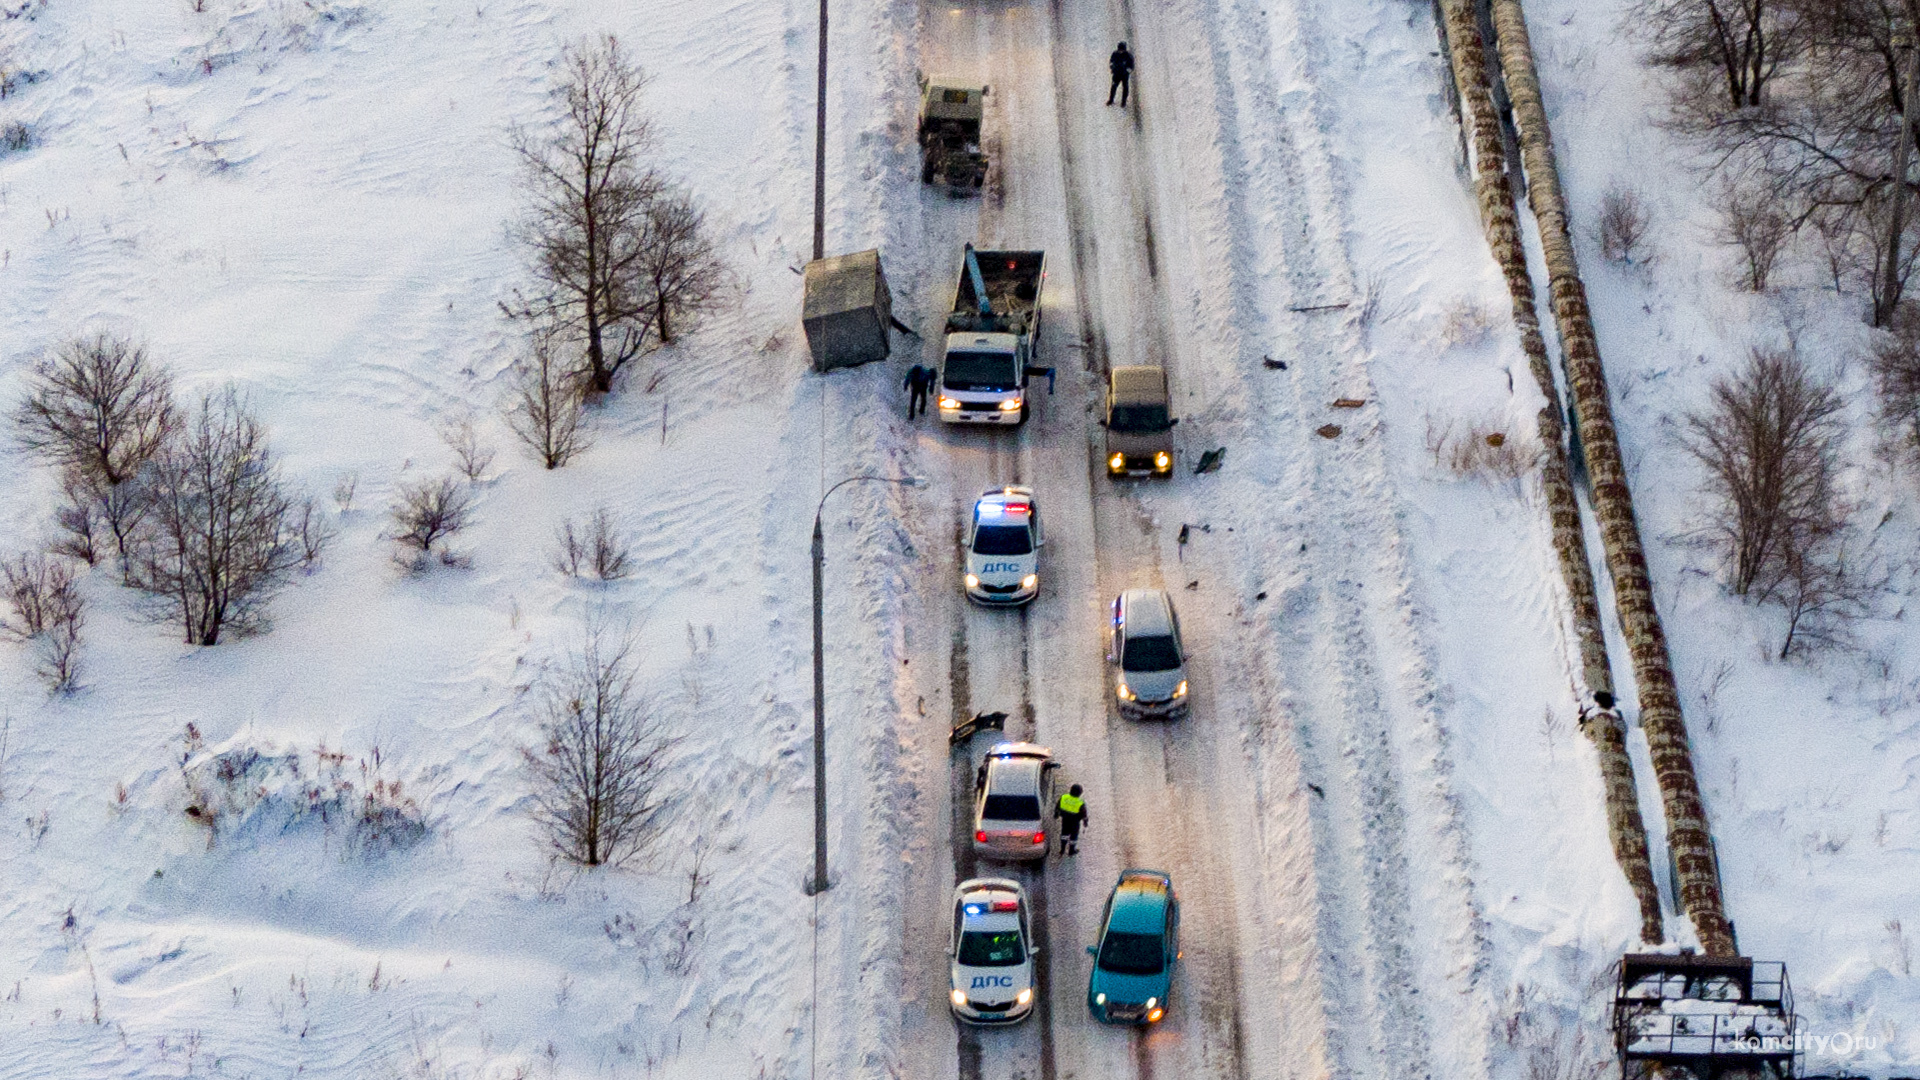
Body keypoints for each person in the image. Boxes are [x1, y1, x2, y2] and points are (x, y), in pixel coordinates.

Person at [1054, 784, 1087, 856]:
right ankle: (1071, 851)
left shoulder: (1064, 797)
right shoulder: (1080, 802)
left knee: (1064, 834)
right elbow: (1084, 814)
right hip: (1075, 822)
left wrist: (1056, 815)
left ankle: (1062, 849)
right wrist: (1085, 822)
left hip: (1065, 820)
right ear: (1079, 793)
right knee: (1074, 836)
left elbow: (1057, 807)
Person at [1107, 43, 1134, 108]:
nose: (1121, 51)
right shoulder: (1115, 54)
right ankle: (1111, 100)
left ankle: (1123, 102)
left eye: (1122, 50)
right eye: (1120, 50)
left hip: (1124, 75)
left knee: (1125, 88)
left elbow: (1131, 66)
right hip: (1116, 74)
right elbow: (1111, 62)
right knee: (1114, 87)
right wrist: (1112, 68)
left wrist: (1127, 71)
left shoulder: (1128, 55)